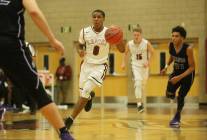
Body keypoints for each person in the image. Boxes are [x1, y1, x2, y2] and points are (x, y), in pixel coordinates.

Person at [0, 0, 73, 139]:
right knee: (38, 91)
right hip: (11, 46)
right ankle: (64, 134)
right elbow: (34, 12)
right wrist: (52, 40)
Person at [65, 9, 125, 130]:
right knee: (83, 94)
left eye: (99, 17)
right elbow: (79, 44)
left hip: (100, 66)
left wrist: (119, 36)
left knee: (86, 90)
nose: (96, 19)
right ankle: (90, 97)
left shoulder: (109, 32)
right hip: (86, 65)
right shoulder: (84, 31)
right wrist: (80, 51)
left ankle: (70, 120)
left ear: (103, 19)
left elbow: (122, 50)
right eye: (94, 17)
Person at [160, 26, 195, 128]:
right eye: (172, 36)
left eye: (176, 36)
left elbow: (192, 67)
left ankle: (177, 116)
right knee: (169, 94)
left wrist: (179, 78)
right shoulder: (170, 45)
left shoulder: (188, 49)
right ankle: (173, 94)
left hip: (187, 74)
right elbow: (172, 56)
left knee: (181, 96)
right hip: (176, 72)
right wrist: (166, 67)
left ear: (182, 38)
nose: (173, 38)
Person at [121, 27, 154, 112]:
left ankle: (139, 96)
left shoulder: (146, 43)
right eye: (134, 35)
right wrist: (123, 63)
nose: (136, 36)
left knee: (143, 85)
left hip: (144, 67)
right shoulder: (129, 44)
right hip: (135, 66)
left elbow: (152, 52)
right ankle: (139, 104)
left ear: (141, 35)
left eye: (138, 35)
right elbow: (125, 53)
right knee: (138, 82)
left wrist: (149, 62)